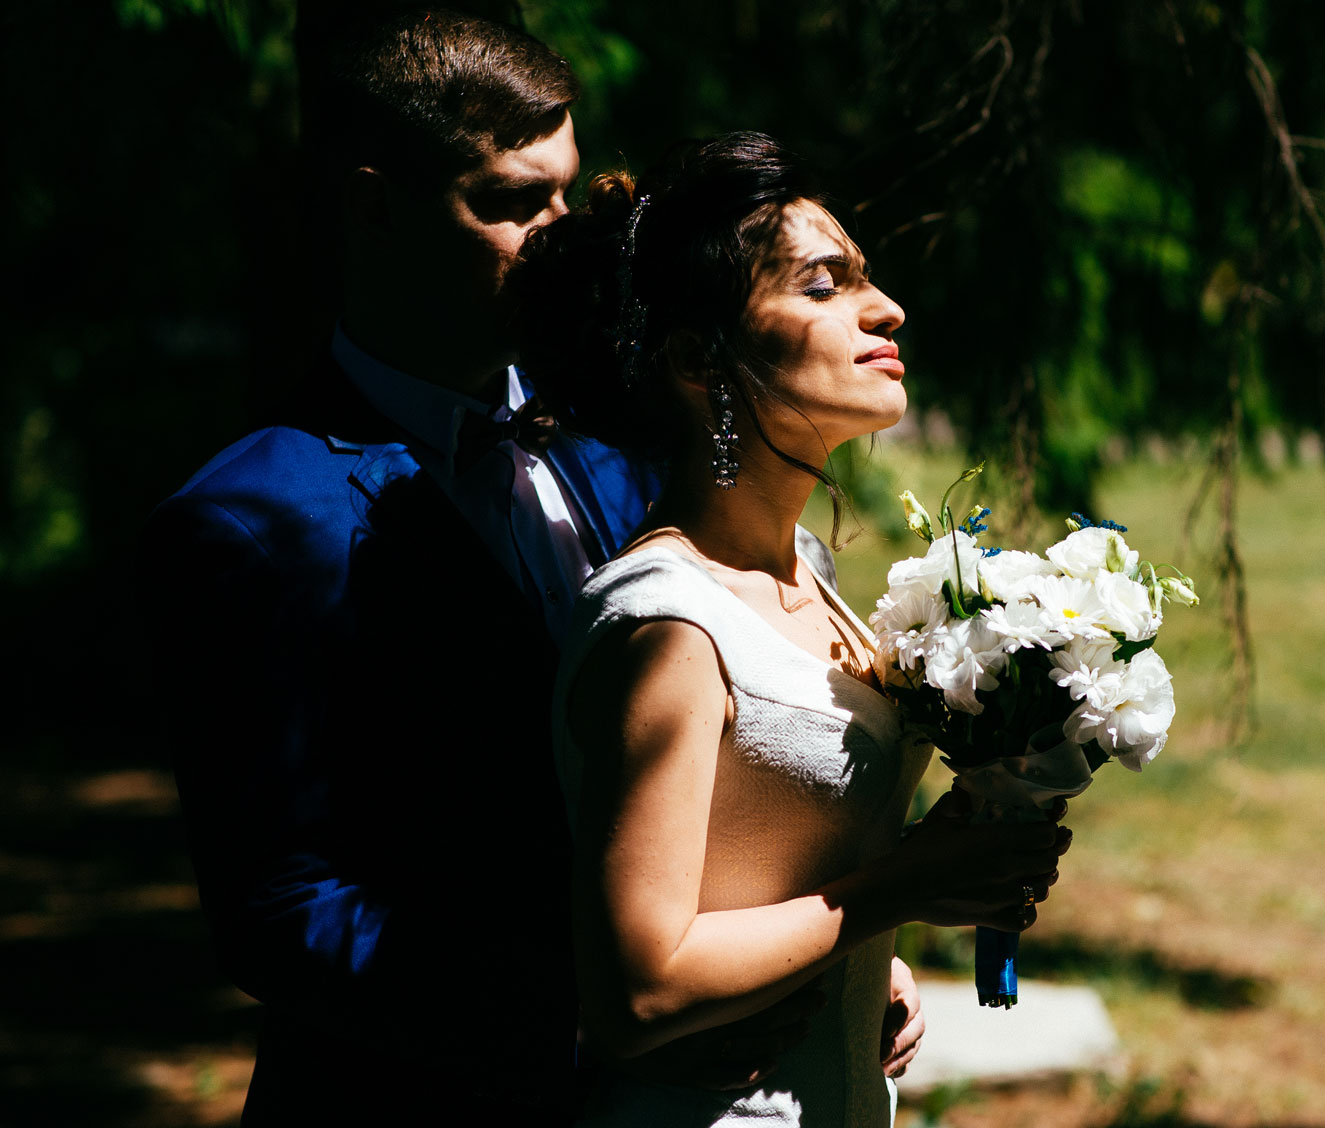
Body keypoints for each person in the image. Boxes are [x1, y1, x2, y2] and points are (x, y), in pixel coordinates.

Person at [140, 11, 889, 1124]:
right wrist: (598, 1009)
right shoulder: (249, 519)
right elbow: (283, 911)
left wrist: (810, 962)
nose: (559, 235)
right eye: (506, 203)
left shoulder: (631, 450)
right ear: (370, 204)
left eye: (566, 193)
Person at [511, 132, 1071, 1127]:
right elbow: (639, 991)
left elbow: (768, 866)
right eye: (823, 286)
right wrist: (900, 886)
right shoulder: (670, 627)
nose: (885, 307)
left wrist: (886, 943)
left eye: (864, 279)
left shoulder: (805, 569)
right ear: (698, 358)